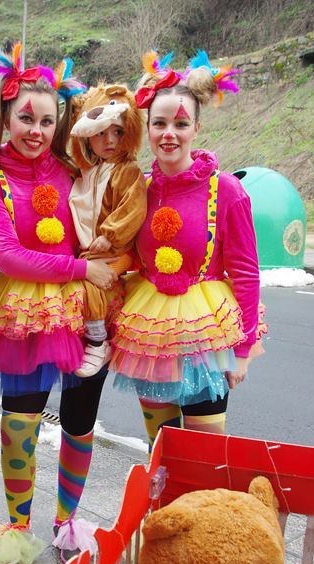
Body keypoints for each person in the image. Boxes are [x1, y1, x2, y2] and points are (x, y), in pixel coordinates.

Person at [0, 44, 117, 564]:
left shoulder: (75, 172)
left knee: (79, 421)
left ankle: (67, 521)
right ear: (6, 118)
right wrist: (80, 269)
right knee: (20, 422)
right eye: (26, 118)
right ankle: (18, 524)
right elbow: (6, 256)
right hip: (25, 315)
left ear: (59, 125)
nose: (36, 130)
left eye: (47, 121)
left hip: (86, 312)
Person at [110, 50, 262, 449]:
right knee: (161, 449)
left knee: (204, 452)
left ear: (196, 127)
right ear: (147, 127)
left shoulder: (226, 190)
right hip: (151, 333)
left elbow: (246, 272)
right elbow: (126, 254)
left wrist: (242, 350)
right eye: (159, 123)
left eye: (180, 124)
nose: (169, 134)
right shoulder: (138, 189)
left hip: (206, 337)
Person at [68, 83, 147, 376]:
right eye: (100, 132)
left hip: (115, 249)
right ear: (87, 138)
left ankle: (97, 340)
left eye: (118, 131)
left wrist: (109, 234)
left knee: (92, 283)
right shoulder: (89, 171)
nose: (110, 140)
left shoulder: (128, 171)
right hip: (92, 250)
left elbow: (132, 208)